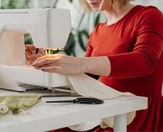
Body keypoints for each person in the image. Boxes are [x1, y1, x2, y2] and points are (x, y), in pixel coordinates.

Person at [25, 0, 163, 131]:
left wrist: (80, 63)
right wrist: (49, 57)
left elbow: (145, 61)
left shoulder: (149, 16)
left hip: (135, 113)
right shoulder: (97, 31)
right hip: (105, 109)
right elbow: (86, 75)